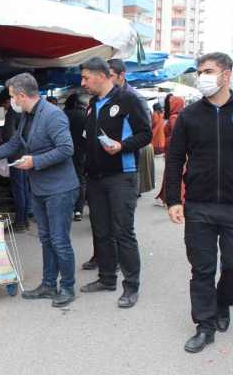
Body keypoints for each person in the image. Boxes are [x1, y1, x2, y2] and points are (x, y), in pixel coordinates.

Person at [166, 52, 233, 353]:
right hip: (200, 206)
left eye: (209, 71)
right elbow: (175, 159)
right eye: (200, 71)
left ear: (226, 74)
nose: (203, 76)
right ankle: (204, 325)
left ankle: (223, 301)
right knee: (202, 268)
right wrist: (174, 199)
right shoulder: (190, 115)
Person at [0, 73, 79, 308]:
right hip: (40, 188)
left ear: (21, 95)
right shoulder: (27, 117)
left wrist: (35, 162)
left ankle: (67, 286)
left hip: (60, 188)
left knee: (59, 240)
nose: (11, 102)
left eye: (12, 97)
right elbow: (15, 144)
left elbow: (67, 149)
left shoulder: (53, 115)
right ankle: (49, 284)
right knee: (46, 238)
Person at [79, 57, 151, 309]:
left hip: (122, 175)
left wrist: (121, 146)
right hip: (96, 179)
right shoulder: (92, 104)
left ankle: (131, 286)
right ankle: (107, 278)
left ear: (102, 75)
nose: (83, 82)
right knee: (101, 230)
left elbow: (146, 134)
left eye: (86, 77)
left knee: (123, 232)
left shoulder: (128, 100)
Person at [108, 59, 155, 196]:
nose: (106, 80)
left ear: (121, 75)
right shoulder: (104, 97)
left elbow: (145, 132)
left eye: (110, 76)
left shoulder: (135, 98)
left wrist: (122, 145)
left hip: (126, 162)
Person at [0, 88, 31, 231]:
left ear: (7, 101)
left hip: (16, 156)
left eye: (3, 106)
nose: (4, 109)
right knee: (25, 187)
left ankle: (20, 222)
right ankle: (25, 219)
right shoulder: (24, 110)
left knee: (18, 189)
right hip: (26, 153)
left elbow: (10, 134)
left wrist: (2, 136)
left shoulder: (12, 112)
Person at [154, 95, 185, 206]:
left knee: (172, 172)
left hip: (172, 150)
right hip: (173, 149)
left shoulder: (173, 118)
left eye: (172, 103)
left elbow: (174, 134)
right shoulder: (181, 116)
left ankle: (173, 198)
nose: (169, 105)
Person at [63, 93, 87, 221]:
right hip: (81, 152)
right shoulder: (85, 116)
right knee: (81, 179)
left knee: (65, 180)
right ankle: (78, 210)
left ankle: (66, 208)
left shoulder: (63, 115)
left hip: (64, 152)